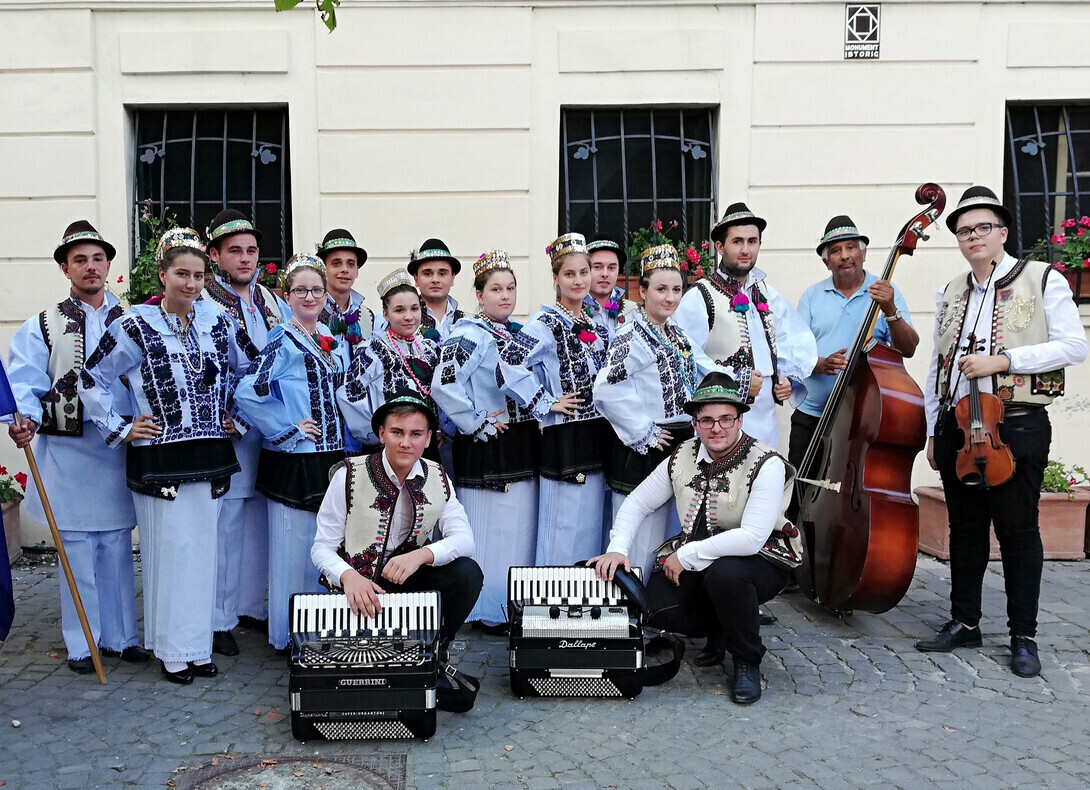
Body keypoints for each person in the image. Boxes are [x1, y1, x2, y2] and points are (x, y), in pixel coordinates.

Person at [915, 186, 1088, 678]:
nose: (973, 236)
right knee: (965, 528)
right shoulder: (950, 291)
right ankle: (965, 621)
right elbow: (938, 365)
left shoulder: (1044, 278)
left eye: (983, 227)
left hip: (1017, 423)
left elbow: (1074, 346)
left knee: (1017, 529)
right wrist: (933, 428)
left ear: (1003, 232)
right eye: (964, 230)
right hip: (957, 425)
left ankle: (1023, 636)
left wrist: (1006, 360)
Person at [78, 227, 255, 684]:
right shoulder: (135, 325)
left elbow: (254, 370)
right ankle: (173, 651)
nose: (191, 284)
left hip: (211, 454)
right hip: (158, 459)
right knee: (170, 551)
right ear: (163, 275)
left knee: (204, 551)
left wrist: (238, 416)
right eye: (182, 274)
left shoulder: (219, 323)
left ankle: (197, 646)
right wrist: (121, 427)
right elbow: (91, 377)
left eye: (198, 276)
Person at [589, 372, 803, 705]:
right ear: (695, 423)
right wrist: (617, 549)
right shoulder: (683, 455)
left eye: (726, 419)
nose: (717, 428)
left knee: (726, 576)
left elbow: (751, 538)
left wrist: (686, 555)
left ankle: (746, 660)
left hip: (761, 559)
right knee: (657, 606)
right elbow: (638, 501)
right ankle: (719, 628)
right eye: (707, 420)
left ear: (740, 419)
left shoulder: (766, 463)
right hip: (701, 559)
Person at [5, 221, 147, 674]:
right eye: (80, 260)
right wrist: (24, 420)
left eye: (97, 258)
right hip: (69, 451)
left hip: (119, 450)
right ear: (65, 268)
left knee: (117, 545)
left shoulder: (134, 321)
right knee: (78, 548)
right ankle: (83, 642)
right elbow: (24, 380)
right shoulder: (42, 325)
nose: (90, 267)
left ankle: (122, 637)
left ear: (108, 264)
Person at [311, 390, 483, 674]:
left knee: (467, 573)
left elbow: (464, 540)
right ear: (382, 434)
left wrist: (422, 555)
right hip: (360, 582)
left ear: (428, 438)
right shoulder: (348, 474)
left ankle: (435, 653)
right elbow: (321, 548)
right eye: (397, 432)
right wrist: (348, 577)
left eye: (416, 434)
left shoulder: (438, 477)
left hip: (409, 575)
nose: (406, 442)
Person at [233, 254, 347, 654]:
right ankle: (288, 635)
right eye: (301, 290)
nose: (310, 297)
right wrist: (288, 426)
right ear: (287, 295)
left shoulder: (328, 337)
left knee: (325, 542)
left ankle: (321, 631)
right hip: (294, 457)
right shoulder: (282, 339)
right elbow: (248, 390)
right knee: (292, 546)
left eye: (316, 290)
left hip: (330, 455)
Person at [432, 250, 547, 633]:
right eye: (496, 289)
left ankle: (512, 605)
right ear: (479, 295)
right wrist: (476, 421)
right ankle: (486, 608)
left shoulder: (519, 333)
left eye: (511, 288)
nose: (505, 295)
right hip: (488, 444)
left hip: (521, 441)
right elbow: (443, 384)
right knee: (492, 528)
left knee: (518, 527)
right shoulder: (469, 334)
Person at [593, 244, 720, 577]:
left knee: (672, 531)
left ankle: (662, 600)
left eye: (676, 290)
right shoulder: (631, 334)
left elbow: (704, 368)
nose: (670, 298)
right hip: (648, 445)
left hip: (679, 442)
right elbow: (606, 387)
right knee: (640, 535)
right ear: (643, 291)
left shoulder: (675, 333)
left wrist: (737, 382)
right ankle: (633, 600)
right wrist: (644, 430)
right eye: (662, 289)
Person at [788, 215, 919, 523]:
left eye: (851, 247)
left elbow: (909, 347)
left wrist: (891, 310)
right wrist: (821, 364)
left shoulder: (885, 291)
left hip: (861, 421)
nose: (844, 255)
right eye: (835, 250)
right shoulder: (811, 296)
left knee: (853, 496)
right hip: (812, 416)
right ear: (826, 261)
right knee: (798, 494)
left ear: (864, 253)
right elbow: (794, 354)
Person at [202, 209, 291, 655]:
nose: (244, 258)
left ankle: (251, 606)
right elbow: (206, 369)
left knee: (259, 521)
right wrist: (232, 412)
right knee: (227, 525)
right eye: (234, 250)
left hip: (269, 431)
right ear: (215, 255)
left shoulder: (272, 301)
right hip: (228, 430)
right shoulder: (205, 303)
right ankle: (218, 618)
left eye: (251, 250)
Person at [500, 233, 608, 566]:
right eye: (569, 274)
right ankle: (554, 590)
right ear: (556, 278)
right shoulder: (544, 322)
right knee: (563, 522)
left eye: (584, 272)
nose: (579, 281)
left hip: (595, 432)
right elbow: (508, 364)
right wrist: (546, 402)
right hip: (564, 434)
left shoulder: (593, 321)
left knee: (590, 520)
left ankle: (586, 592)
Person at [674, 203, 816, 449]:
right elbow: (686, 354)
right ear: (720, 247)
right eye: (737, 241)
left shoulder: (767, 294)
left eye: (752, 241)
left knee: (765, 469)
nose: (745, 250)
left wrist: (787, 378)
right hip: (720, 417)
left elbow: (794, 338)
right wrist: (735, 380)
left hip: (765, 416)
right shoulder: (700, 296)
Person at [339, 269, 444, 460]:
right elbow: (349, 393)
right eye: (399, 310)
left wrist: (440, 428)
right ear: (386, 314)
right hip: (387, 446)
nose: (408, 316)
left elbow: (439, 391)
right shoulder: (374, 349)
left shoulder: (428, 349)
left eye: (414, 309)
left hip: (422, 443)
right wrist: (375, 434)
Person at [315, 228, 374, 351]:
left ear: (357, 271)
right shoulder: (311, 311)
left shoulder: (369, 318)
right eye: (336, 263)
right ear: (323, 269)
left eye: (351, 264)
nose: (345, 270)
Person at [408, 238, 465, 343]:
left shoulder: (465, 321)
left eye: (442, 274)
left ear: (452, 278)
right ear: (416, 279)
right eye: (427, 274)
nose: (435, 280)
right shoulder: (406, 321)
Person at [585, 232, 638, 341]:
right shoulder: (573, 311)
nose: (605, 274)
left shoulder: (633, 311)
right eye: (597, 267)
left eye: (611, 268)